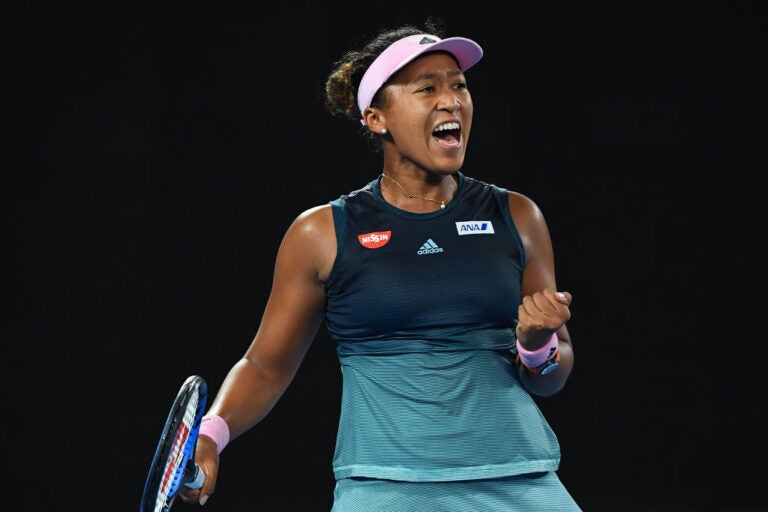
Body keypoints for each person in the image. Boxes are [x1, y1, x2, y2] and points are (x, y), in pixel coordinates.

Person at [180, 17, 581, 511]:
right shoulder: (322, 233)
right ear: (376, 118)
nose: (450, 100)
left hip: (519, 480)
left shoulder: (517, 216)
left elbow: (550, 376)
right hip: (384, 489)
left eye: (459, 86)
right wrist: (211, 434)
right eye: (426, 88)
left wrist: (537, 345)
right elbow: (265, 365)